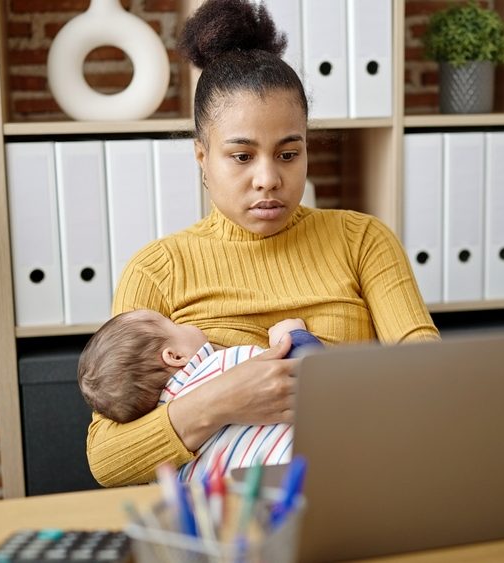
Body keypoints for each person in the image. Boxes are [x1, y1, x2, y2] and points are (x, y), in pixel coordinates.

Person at [86, 0, 439, 487]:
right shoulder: (157, 270)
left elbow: (433, 379)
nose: (268, 179)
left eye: (289, 153)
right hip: (225, 522)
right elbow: (107, 460)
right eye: (242, 156)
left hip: (357, 488)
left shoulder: (363, 241)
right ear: (202, 156)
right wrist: (223, 399)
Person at [78, 309, 322, 480]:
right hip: (304, 471)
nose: (187, 324)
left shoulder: (167, 464)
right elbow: (310, 373)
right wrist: (291, 335)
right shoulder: (220, 365)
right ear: (174, 356)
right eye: (173, 323)